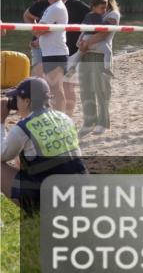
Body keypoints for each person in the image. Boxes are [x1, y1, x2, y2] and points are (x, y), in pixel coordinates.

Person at [1, 78, 86, 212]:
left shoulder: (24, 127)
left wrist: (1, 122)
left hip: (51, 201)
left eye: (17, 99)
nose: (15, 104)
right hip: (80, 193)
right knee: (27, 156)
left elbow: (2, 155)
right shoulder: (65, 118)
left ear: (27, 101)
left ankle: (34, 208)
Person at [24, 0, 88, 116]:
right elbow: (39, 29)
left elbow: (39, 30)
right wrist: (40, 30)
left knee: (56, 90)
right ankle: (61, 119)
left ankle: (61, 120)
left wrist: (40, 31)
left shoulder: (56, 7)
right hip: (51, 52)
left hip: (55, 53)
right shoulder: (52, 7)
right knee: (55, 89)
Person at [73, 0, 117, 136]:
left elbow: (102, 34)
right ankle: (89, 121)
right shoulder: (92, 14)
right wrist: (81, 44)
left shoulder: (113, 15)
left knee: (101, 90)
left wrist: (85, 44)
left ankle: (103, 123)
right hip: (87, 53)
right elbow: (85, 30)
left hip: (98, 55)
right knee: (86, 89)